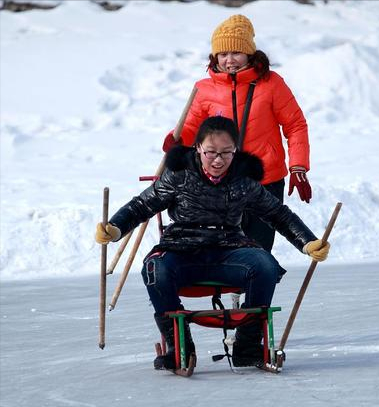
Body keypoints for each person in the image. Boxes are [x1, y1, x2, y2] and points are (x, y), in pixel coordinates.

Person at [96, 116, 330, 369]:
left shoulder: (244, 180)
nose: (218, 160)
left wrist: (307, 243)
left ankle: (248, 346)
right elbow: (142, 205)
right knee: (154, 268)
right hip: (182, 250)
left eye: (226, 153)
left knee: (264, 265)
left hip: (229, 251)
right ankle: (179, 345)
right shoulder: (179, 176)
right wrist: (115, 228)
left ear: (236, 151)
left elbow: (278, 214)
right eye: (210, 152)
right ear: (197, 148)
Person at [162, 14, 311, 253]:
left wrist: (298, 166)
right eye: (223, 54)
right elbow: (192, 128)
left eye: (236, 53)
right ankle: (228, 291)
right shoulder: (204, 89)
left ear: (249, 53)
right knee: (224, 249)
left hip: (266, 179)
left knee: (258, 251)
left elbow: (295, 125)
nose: (229, 60)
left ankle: (246, 290)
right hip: (221, 182)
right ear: (215, 57)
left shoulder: (272, 83)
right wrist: (177, 139)